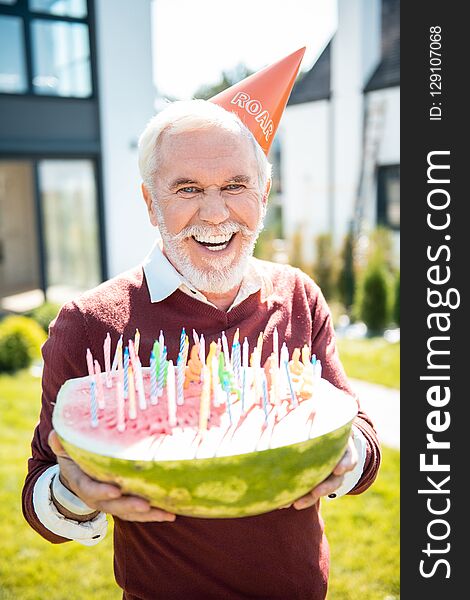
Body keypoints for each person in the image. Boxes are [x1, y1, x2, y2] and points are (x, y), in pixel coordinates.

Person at [22, 50, 381, 600]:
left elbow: (361, 435)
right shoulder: (88, 322)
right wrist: (74, 489)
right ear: (150, 202)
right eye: (187, 188)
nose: (215, 214)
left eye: (235, 185)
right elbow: (41, 498)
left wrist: (346, 456)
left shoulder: (299, 297)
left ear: (263, 197)